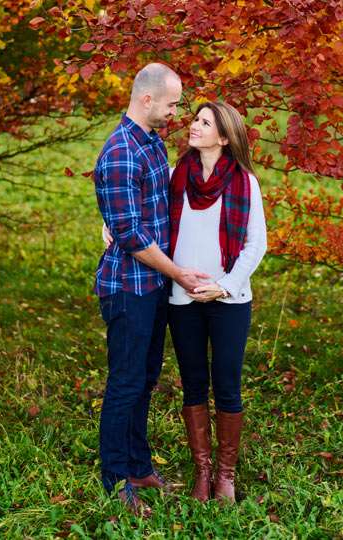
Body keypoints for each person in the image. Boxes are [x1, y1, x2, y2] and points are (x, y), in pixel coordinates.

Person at [103, 101, 267, 504]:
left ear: (224, 137)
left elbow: (255, 244)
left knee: (227, 387)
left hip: (229, 299)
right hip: (181, 298)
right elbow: (133, 203)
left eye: (204, 122)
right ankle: (202, 472)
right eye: (194, 117)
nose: (193, 125)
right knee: (193, 384)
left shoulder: (245, 182)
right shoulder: (177, 176)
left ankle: (225, 477)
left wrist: (225, 286)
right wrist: (106, 224)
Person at [93, 62, 208, 518]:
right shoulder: (121, 152)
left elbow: (147, 212)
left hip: (153, 284)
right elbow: (133, 235)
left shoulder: (151, 143)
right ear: (146, 100)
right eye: (172, 104)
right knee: (124, 383)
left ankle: (140, 466)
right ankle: (116, 478)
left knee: (145, 380)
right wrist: (178, 274)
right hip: (128, 287)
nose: (175, 112)